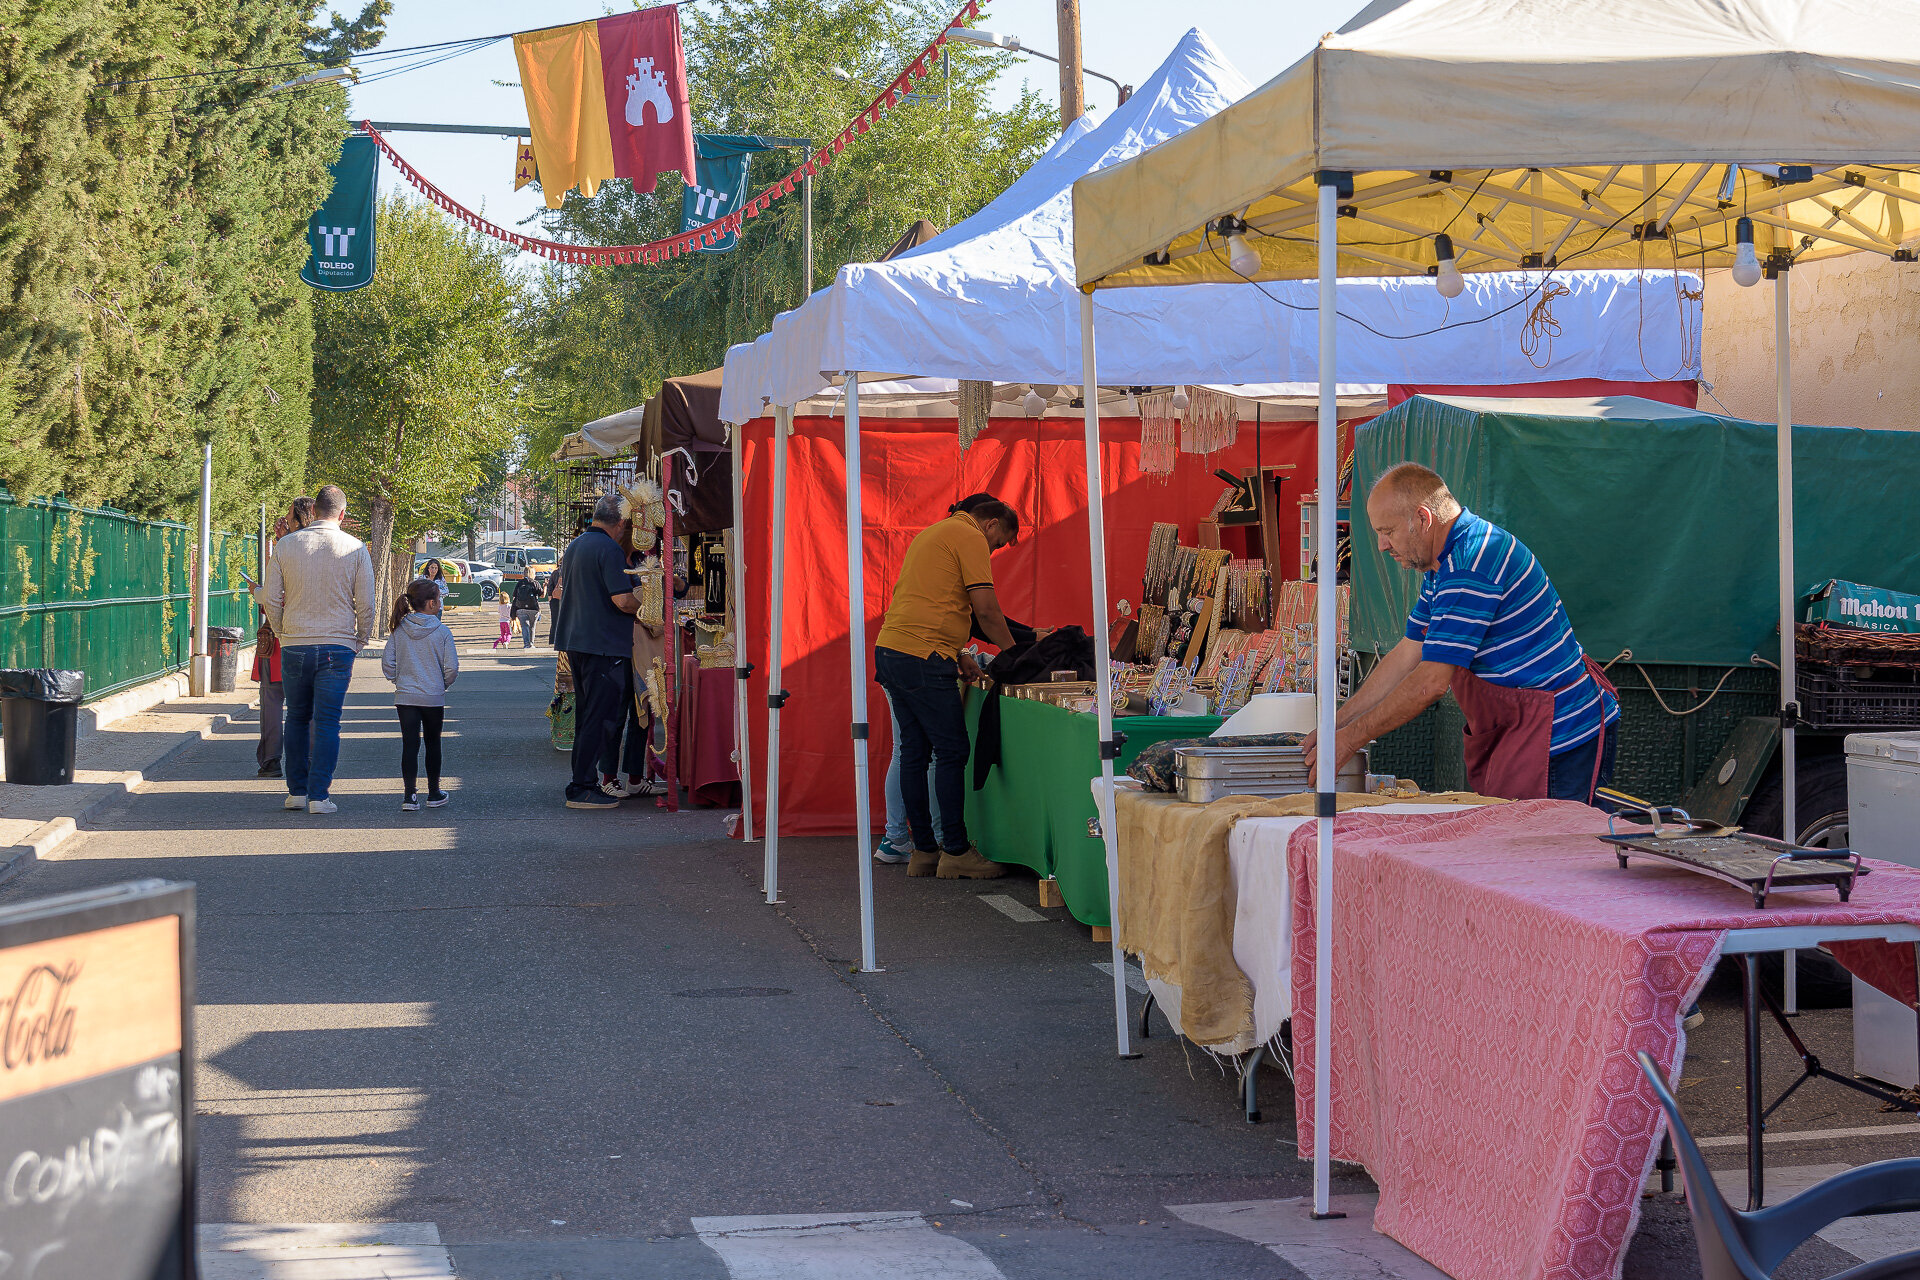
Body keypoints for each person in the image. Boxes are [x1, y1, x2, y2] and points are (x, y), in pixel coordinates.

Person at [1306, 462, 1620, 801]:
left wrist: (1349, 740)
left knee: (1548, 836)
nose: (1382, 545)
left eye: (1388, 531)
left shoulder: (1471, 563)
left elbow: (1430, 683)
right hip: (1523, 731)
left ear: (1423, 518)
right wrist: (1337, 725)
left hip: (1561, 740)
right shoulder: (1442, 563)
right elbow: (1408, 652)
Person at [874, 494, 1041, 864]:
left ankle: (924, 851)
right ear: (991, 524)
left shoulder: (934, 533)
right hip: (923, 657)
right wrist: (1018, 656)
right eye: (998, 543)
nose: (993, 550)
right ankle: (955, 849)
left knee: (913, 753)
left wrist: (961, 651)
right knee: (951, 752)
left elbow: (938, 605)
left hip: (892, 650)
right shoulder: (970, 537)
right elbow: (986, 612)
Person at [261, 484, 375, 815]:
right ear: (343, 514)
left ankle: (296, 791)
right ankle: (319, 796)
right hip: (337, 644)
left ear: (313, 511)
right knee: (327, 721)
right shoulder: (356, 548)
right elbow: (366, 602)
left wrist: (282, 631)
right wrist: (361, 637)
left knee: (296, 716)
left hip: (295, 642)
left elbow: (271, 597)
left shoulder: (286, 545)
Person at [552, 492, 642, 809]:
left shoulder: (576, 545)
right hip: (603, 645)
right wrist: (647, 600)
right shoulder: (609, 549)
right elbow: (623, 600)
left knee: (588, 717)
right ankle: (582, 786)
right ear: (621, 522)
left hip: (579, 642)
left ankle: (582, 781)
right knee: (600, 719)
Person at [382, 577, 460, 811]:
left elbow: (388, 663)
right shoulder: (442, 631)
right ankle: (434, 792)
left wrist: (399, 680)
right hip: (432, 696)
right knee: (433, 743)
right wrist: (441, 684)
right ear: (431, 603)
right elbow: (452, 667)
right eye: (439, 599)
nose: (440, 603)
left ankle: (409, 796)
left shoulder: (399, 630)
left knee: (409, 744)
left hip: (405, 696)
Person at [512, 573, 542, 648]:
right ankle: (531, 643)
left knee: (524, 627)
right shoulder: (535, 583)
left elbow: (514, 596)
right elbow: (542, 595)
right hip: (533, 609)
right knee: (532, 627)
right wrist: (545, 587)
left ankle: (526, 644)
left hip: (520, 608)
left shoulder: (520, 583)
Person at [545, 564, 564, 646]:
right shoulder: (570, 571)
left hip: (555, 599)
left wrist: (550, 596)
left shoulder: (555, 573)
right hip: (566, 599)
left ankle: (552, 640)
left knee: (554, 621)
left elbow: (550, 585)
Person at [494, 577, 513, 648]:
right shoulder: (509, 606)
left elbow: (499, 611)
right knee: (509, 633)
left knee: (503, 634)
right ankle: (507, 642)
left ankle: (503, 642)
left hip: (501, 621)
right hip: (507, 621)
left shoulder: (500, 606)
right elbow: (511, 613)